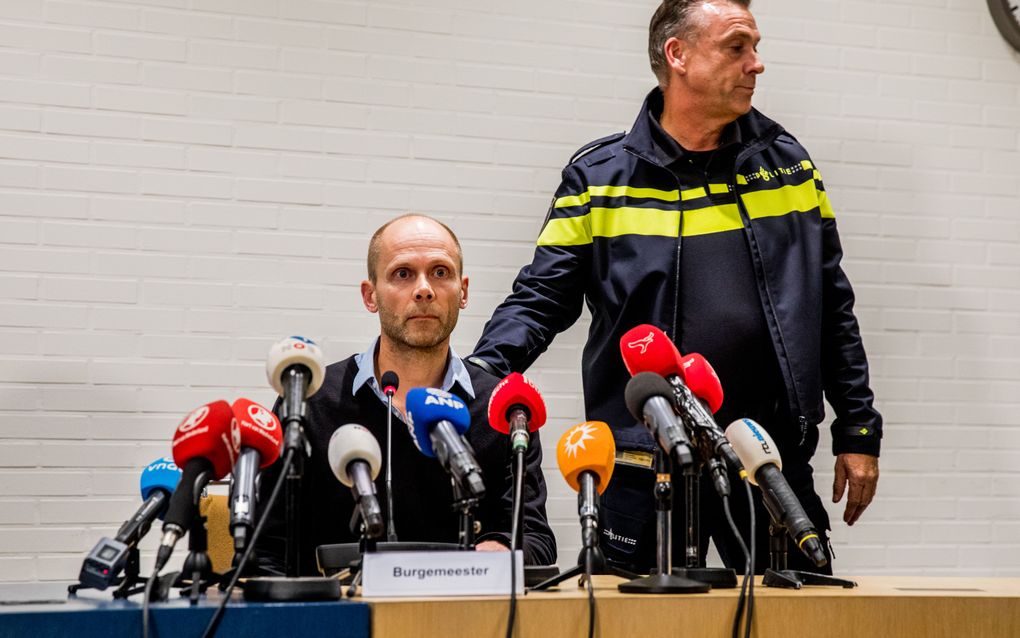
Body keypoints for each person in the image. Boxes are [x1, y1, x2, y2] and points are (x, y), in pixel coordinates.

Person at [470, 0, 880, 574]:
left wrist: (858, 427)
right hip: (642, 466)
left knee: (800, 620)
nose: (756, 64)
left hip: (767, 460)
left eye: (755, 47)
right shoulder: (598, 179)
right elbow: (541, 299)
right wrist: (473, 384)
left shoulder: (789, 169)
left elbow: (832, 305)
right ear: (678, 54)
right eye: (737, 47)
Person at [255, 214, 556, 575]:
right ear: (370, 295)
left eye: (441, 273)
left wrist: (501, 548)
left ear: (463, 292)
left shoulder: (504, 407)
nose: (424, 289)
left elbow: (535, 538)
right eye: (403, 274)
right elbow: (268, 548)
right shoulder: (311, 400)